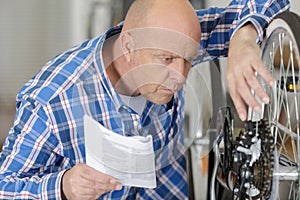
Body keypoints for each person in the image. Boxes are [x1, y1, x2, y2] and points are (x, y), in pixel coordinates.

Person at [0, 0, 290, 199]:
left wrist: (243, 37)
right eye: (165, 60)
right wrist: (64, 187)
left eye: (189, 60)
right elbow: (5, 188)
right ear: (129, 46)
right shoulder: (53, 100)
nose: (179, 76)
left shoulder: (175, 39)